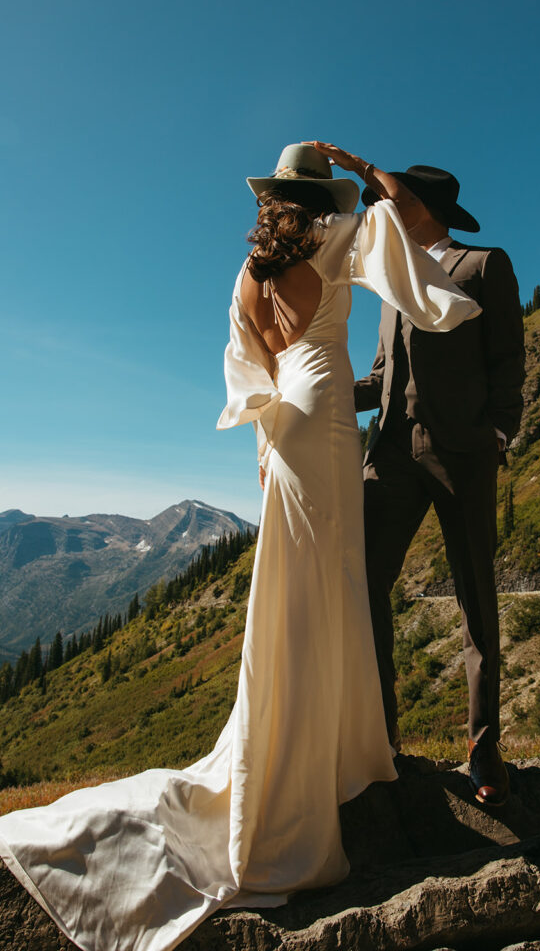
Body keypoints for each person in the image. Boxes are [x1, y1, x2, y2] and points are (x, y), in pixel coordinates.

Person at [0, 143, 481, 951]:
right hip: (326, 409)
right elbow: (406, 233)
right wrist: (365, 167)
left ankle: (294, 743)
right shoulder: (340, 239)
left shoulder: (247, 275)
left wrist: (263, 446)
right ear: (320, 197)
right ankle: (330, 755)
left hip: (285, 416)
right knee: (330, 575)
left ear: (272, 203)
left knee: (295, 582)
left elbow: (249, 370)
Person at [355, 165, 525, 807]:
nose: (381, 211)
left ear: (418, 205)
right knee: (364, 583)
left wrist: (499, 434)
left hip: (464, 454)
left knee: (477, 601)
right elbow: (381, 376)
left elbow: (509, 356)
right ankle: (382, 743)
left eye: (390, 201)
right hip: (392, 453)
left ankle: (485, 755)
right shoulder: (389, 281)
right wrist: (311, 395)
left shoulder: (483, 266)